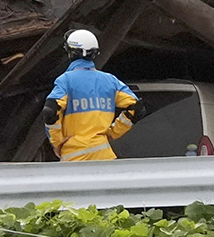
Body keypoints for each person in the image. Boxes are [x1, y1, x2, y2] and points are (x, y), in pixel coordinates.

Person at [42, 29, 140, 161]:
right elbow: (137, 108)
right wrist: (112, 134)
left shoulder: (65, 80)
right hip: (103, 154)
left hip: (74, 156)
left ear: (71, 52)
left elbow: (50, 111)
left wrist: (58, 142)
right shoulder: (110, 80)